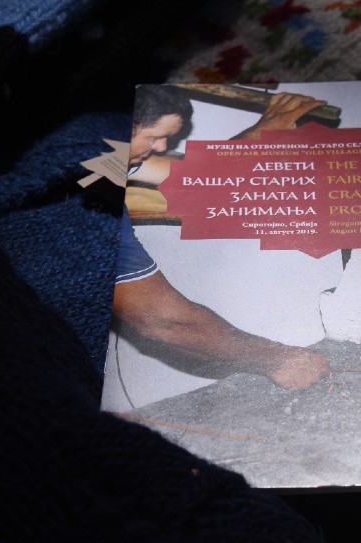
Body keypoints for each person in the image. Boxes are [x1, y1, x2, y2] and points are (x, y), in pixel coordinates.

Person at [113, 85, 330, 391]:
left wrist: (262, 131)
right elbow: (164, 321)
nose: (161, 147)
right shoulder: (92, 211)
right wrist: (277, 360)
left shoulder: (107, 154)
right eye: (153, 137)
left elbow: (195, 174)